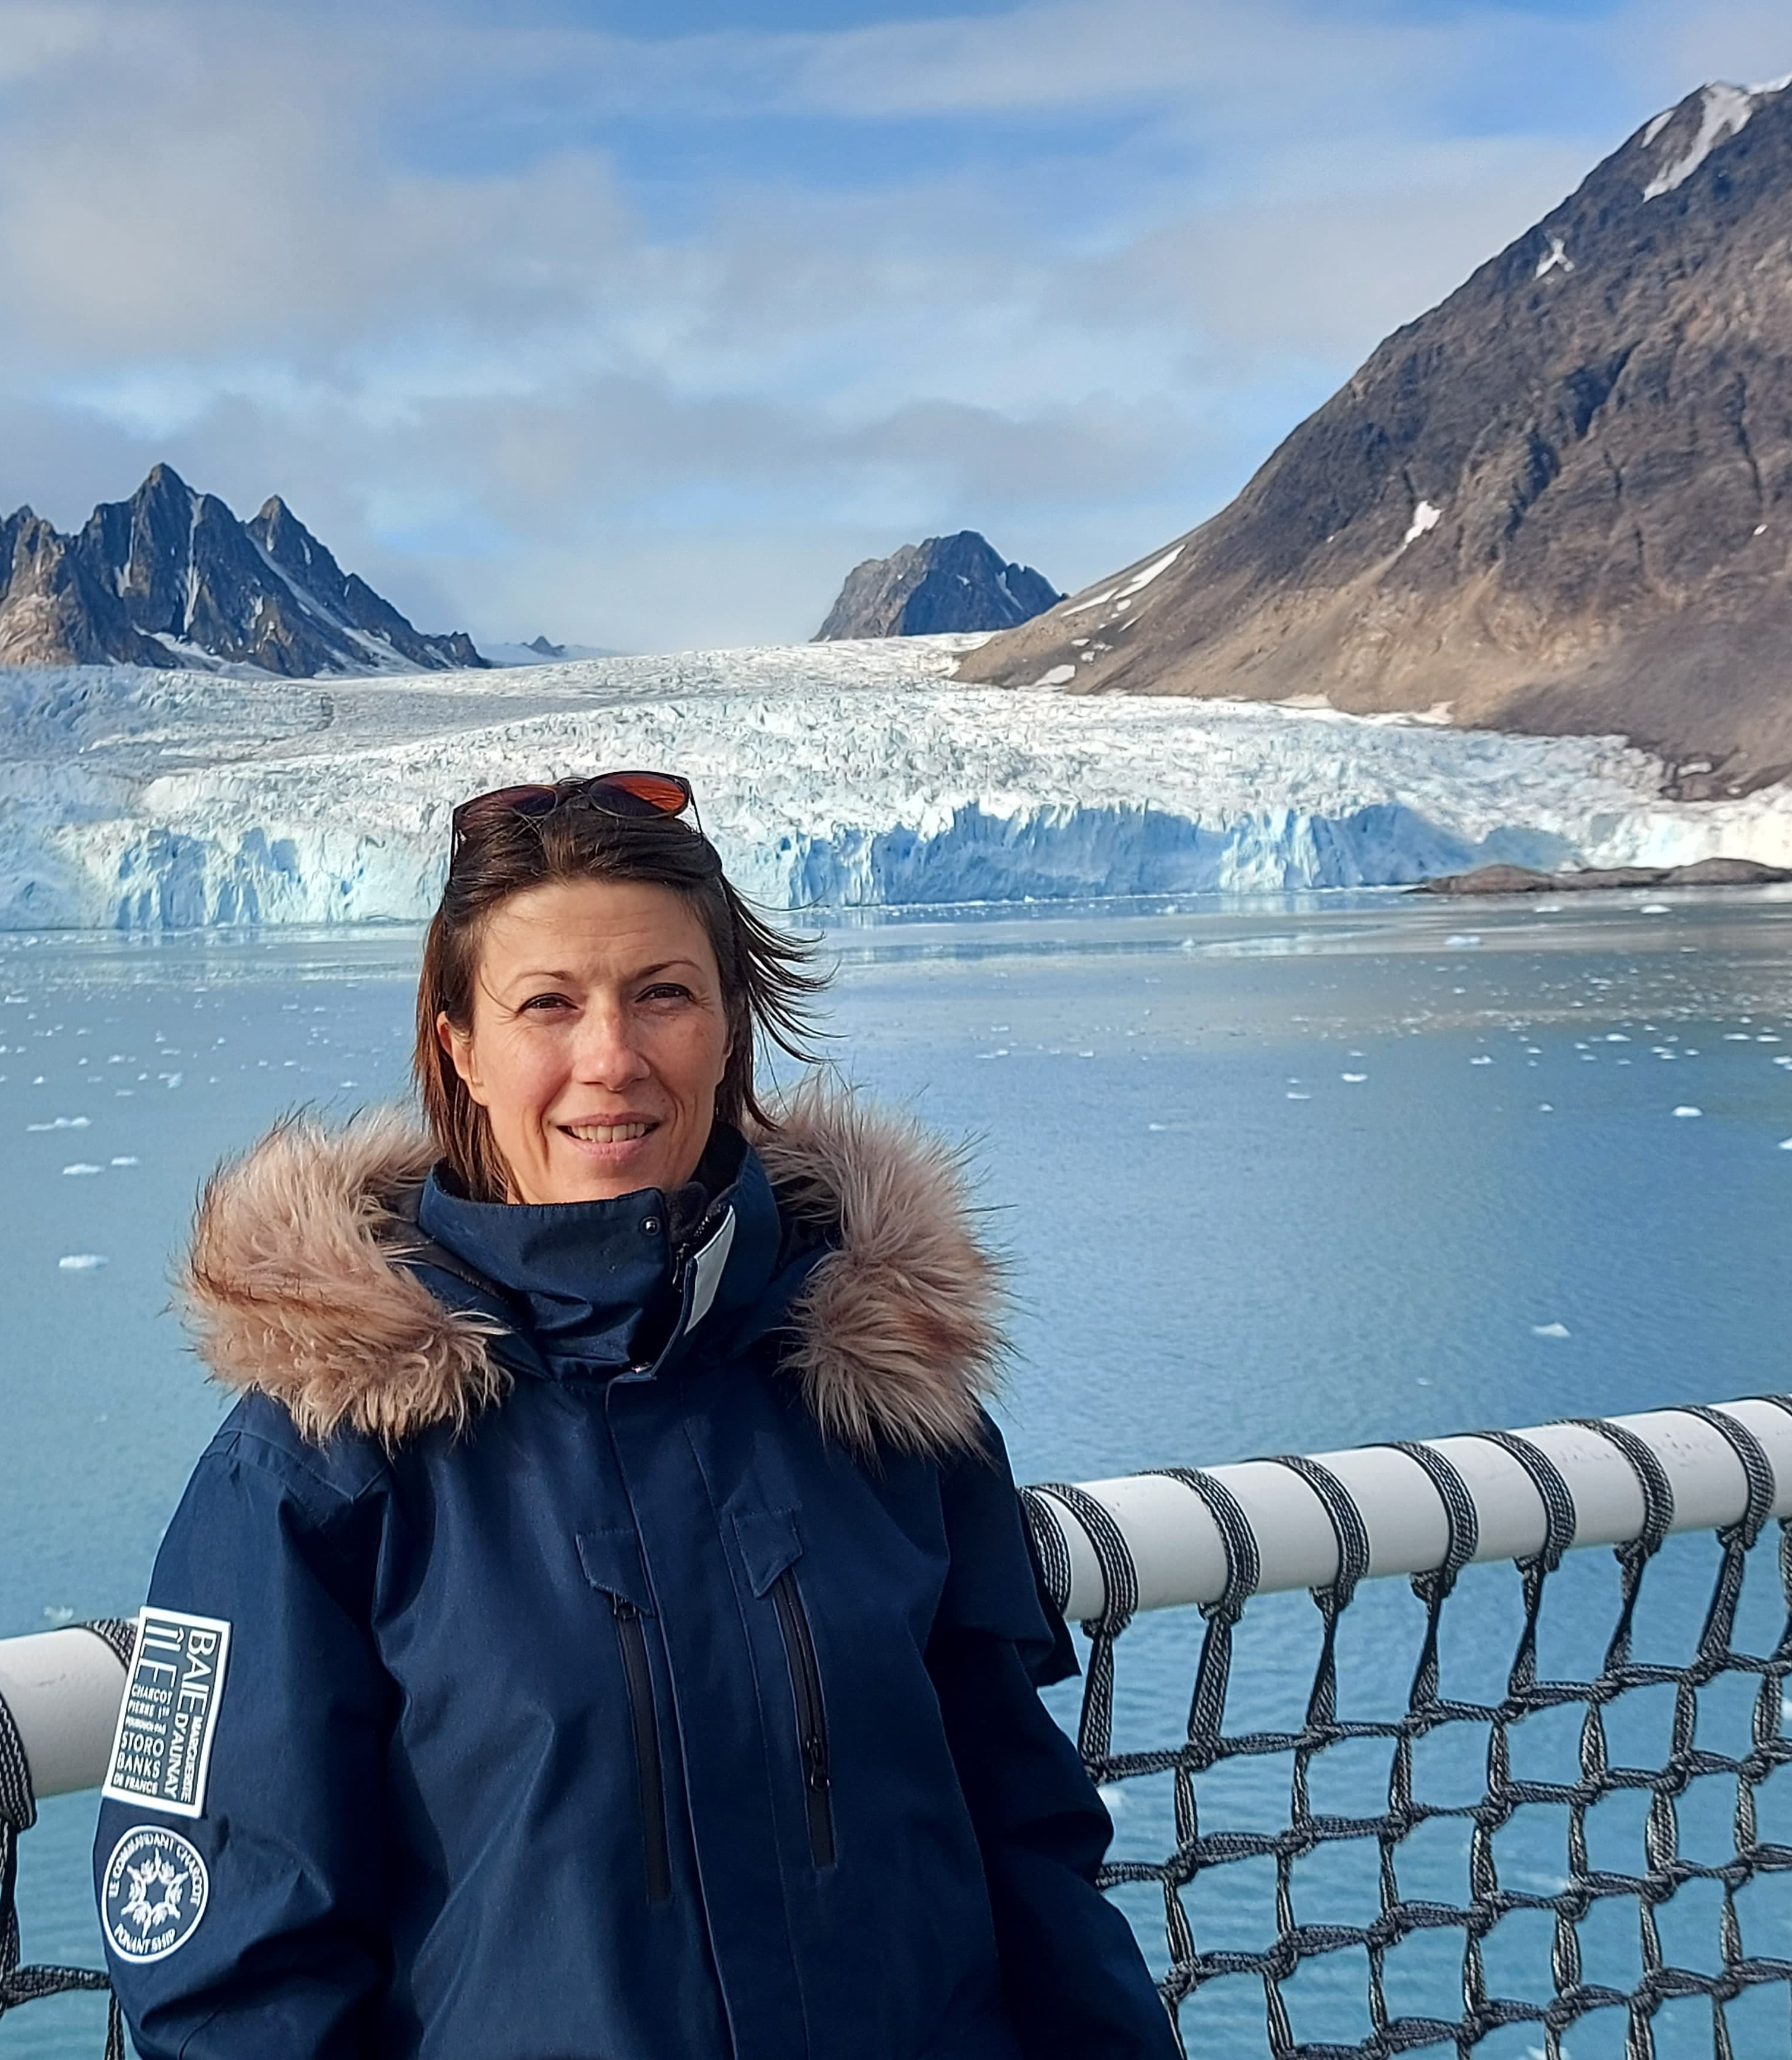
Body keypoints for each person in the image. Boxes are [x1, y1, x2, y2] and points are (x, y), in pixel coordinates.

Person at [92, 770, 1177, 2058]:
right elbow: (228, 1974)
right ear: (459, 1046)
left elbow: (1028, 1849)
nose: (607, 1058)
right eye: (544, 1005)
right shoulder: (324, 1452)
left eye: (661, 994)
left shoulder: (877, 1383)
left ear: (728, 1027)